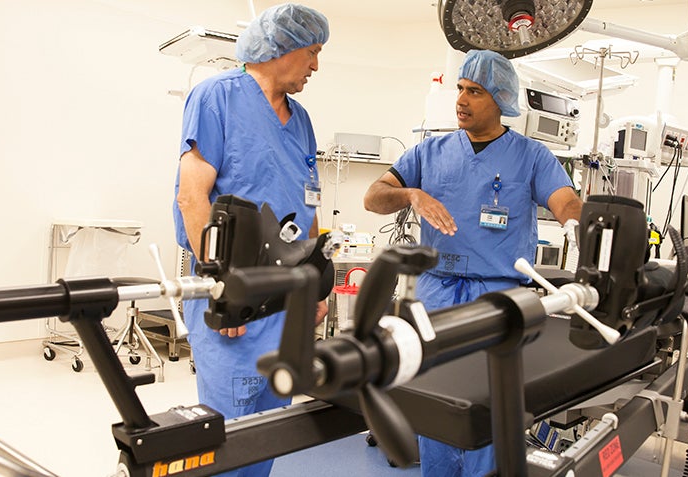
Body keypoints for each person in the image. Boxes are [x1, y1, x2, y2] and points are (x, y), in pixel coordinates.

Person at [363, 49, 582, 477]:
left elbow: (566, 202)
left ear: (500, 100)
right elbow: (373, 197)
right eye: (460, 89)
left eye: (474, 91)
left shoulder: (532, 157)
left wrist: (579, 226)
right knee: (436, 398)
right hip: (436, 291)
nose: (461, 99)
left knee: (491, 402)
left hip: (498, 296)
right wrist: (411, 194)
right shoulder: (431, 152)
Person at [173, 3, 329, 476]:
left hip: (286, 298)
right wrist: (226, 291)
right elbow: (192, 197)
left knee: (269, 429)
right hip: (234, 296)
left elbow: (308, 205)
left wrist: (315, 284)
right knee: (229, 436)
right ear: (281, 48)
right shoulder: (216, 97)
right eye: (313, 52)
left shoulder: (300, 119)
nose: (316, 66)